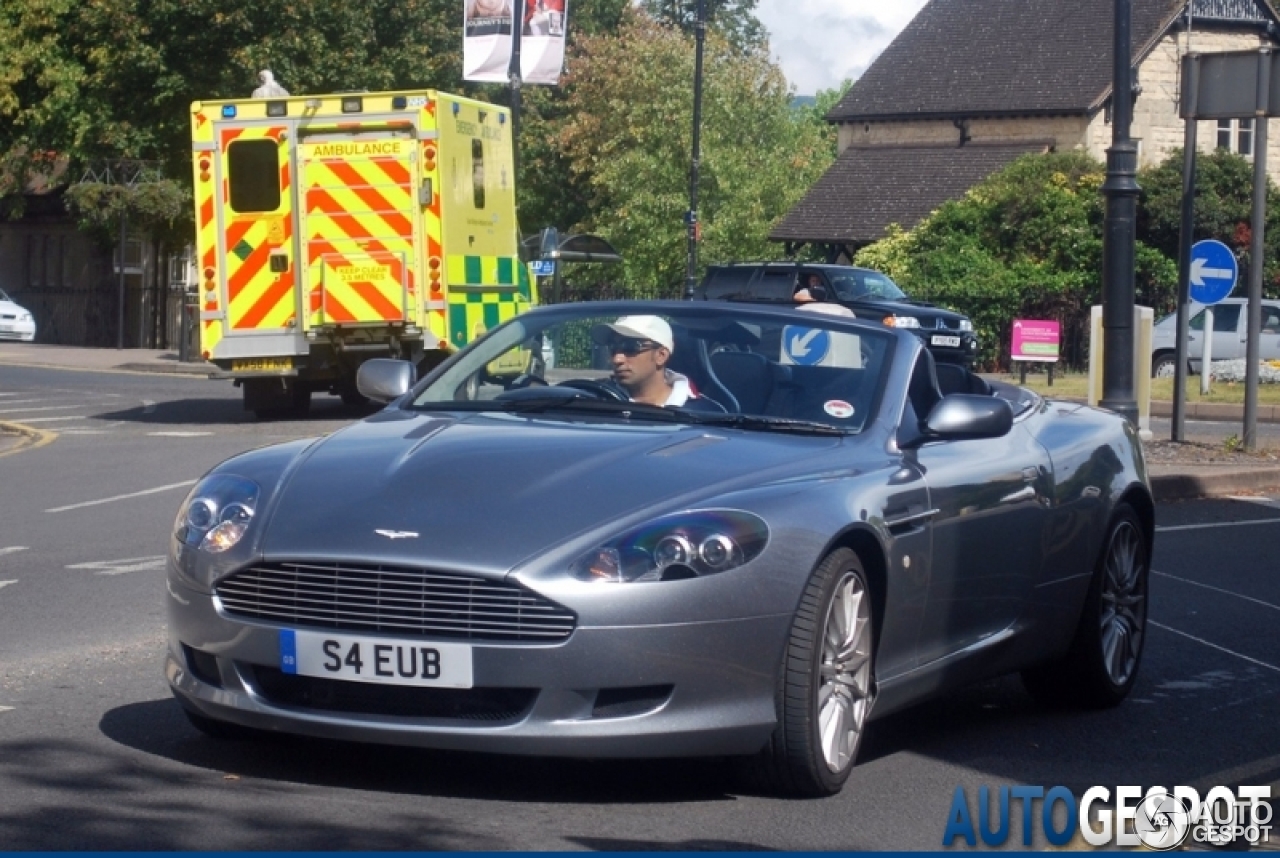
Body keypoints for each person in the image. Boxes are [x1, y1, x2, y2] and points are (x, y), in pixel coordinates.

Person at [590, 315, 721, 411]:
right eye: (613, 347)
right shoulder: (593, 402)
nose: (617, 359)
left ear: (661, 355)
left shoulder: (706, 413)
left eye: (630, 347)